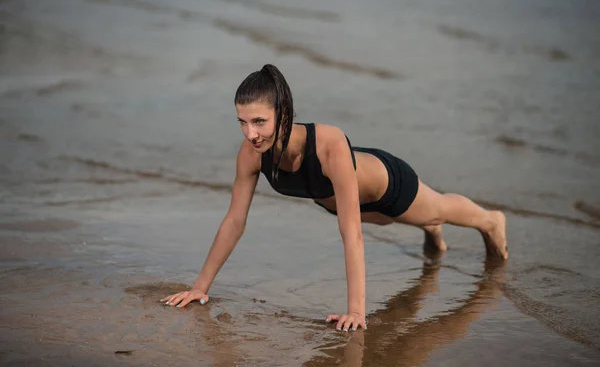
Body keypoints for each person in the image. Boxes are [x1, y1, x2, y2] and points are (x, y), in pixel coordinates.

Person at [161, 64, 508, 332]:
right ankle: (430, 230)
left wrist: (356, 311)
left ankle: (491, 220)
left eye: (259, 122)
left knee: (437, 209)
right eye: (242, 122)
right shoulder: (252, 153)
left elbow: (352, 234)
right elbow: (235, 221)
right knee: (399, 220)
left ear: (282, 112)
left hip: (387, 184)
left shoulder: (328, 142)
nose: (250, 133)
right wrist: (199, 288)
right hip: (344, 202)